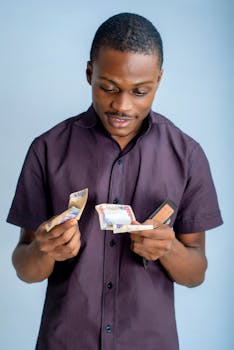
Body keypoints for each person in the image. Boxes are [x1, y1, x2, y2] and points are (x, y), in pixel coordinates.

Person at [7, 12, 223, 350]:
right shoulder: (47, 149)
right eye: (108, 88)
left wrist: (168, 248)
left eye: (140, 91)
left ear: (159, 80)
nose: (122, 105)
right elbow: (25, 268)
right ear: (89, 73)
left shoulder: (188, 155)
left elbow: (195, 274)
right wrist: (44, 250)